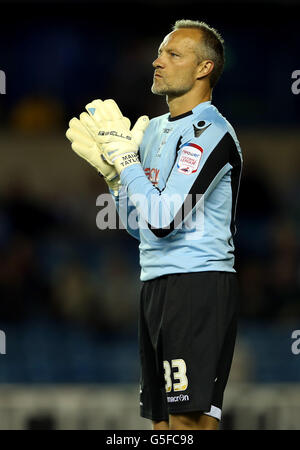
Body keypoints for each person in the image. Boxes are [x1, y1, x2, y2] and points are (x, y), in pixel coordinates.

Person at [66, 19, 243, 430]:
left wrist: (124, 159)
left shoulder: (211, 132)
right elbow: (138, 224)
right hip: (155, 285)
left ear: (204, 69)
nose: (157, 61)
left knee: (189, 425)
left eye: (172, 54)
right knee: (161, 428)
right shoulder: (155, 129)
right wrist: (115, 177)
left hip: (198, 286)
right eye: (160, 52)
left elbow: (164, 220)